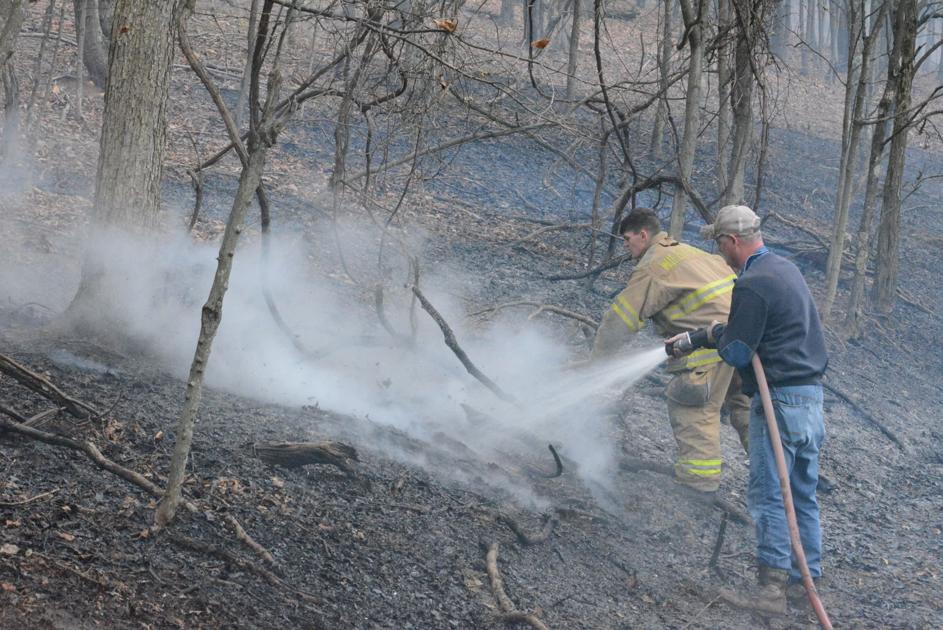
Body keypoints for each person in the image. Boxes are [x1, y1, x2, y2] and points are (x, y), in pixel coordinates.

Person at [666, 204, 828, 614]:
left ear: (733, 241)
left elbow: (738, 351)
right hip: (810, 399)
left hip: (778, 404)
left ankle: (771, 592)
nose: (719, 253)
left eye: (720, 244)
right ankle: (804, 581)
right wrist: (699, 337)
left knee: (771, 495)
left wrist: (716, 340)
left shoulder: (752, 283)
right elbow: (751, 331)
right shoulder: (783, 269)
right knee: (802, 494)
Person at [591, 207, 750, 494]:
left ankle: (698, 490)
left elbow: (622, 319)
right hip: (743, 343)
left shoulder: (655, 264)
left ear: (643, 234)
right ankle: (779, 478)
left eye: (628, 240)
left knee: (693, 411)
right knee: (746, 409)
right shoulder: (693, 254)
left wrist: (598, 361)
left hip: (707, 352)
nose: (627, 248)